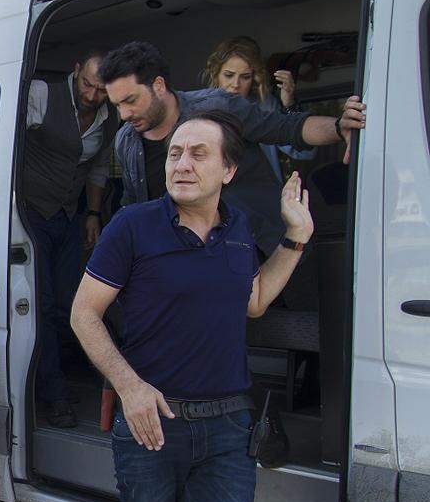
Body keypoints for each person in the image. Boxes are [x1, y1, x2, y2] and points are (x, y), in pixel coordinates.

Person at [70, 111, 315, 502]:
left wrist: (295, 238)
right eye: (176, 152)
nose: (181, 163)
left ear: (228, 170)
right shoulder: (133, 225)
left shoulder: (239, 229)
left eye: (198, 153)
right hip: (152, 423)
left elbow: (254, 300)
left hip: (229, 426)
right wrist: (129, 386)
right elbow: (83, 313)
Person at [98, 40, 365, 252]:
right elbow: (133, 205)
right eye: (117, 105)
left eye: (131, 101)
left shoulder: (218, 106)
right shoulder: (125, 141)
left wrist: (338, 127)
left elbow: (286, 128)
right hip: (187, 262)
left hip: (257, 245)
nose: (124, 114)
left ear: (158, 86)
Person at [20, 49, 118, 428]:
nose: (92, 95)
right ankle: (54, 393)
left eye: (101, 90)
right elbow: (6, 139)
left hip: (68, 215)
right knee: (42, 305)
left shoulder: (109, 119)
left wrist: (93, 214)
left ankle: (57, 377)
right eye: (87, 84)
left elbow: (97, 169)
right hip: (31, 214)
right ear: (76, 71)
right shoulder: (42, 95)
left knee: (70, 304)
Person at [202, 35, 316, 181]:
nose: (236, 84)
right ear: (216, 74)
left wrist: (289, 105)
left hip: (262, 190)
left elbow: (304, 153)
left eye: (245, 77)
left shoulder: (264, 105)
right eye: (229, 75)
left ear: (254, 78)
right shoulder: (201, 107)